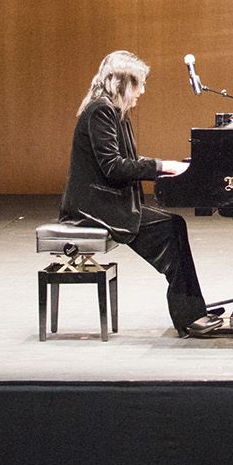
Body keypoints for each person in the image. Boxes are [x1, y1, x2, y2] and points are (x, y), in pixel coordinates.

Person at [60, 50, 217, 337]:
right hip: (93, 207)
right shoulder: (101, 111)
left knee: (173, 226)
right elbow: (113, 167)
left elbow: (125, 160)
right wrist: (162, 166)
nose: (142, 91)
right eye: (139, 84)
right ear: (122, 82)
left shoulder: (111, 110)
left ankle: (192, 311)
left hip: (105, 202)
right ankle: (190, 315)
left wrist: (164, 167)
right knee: (171, 228)